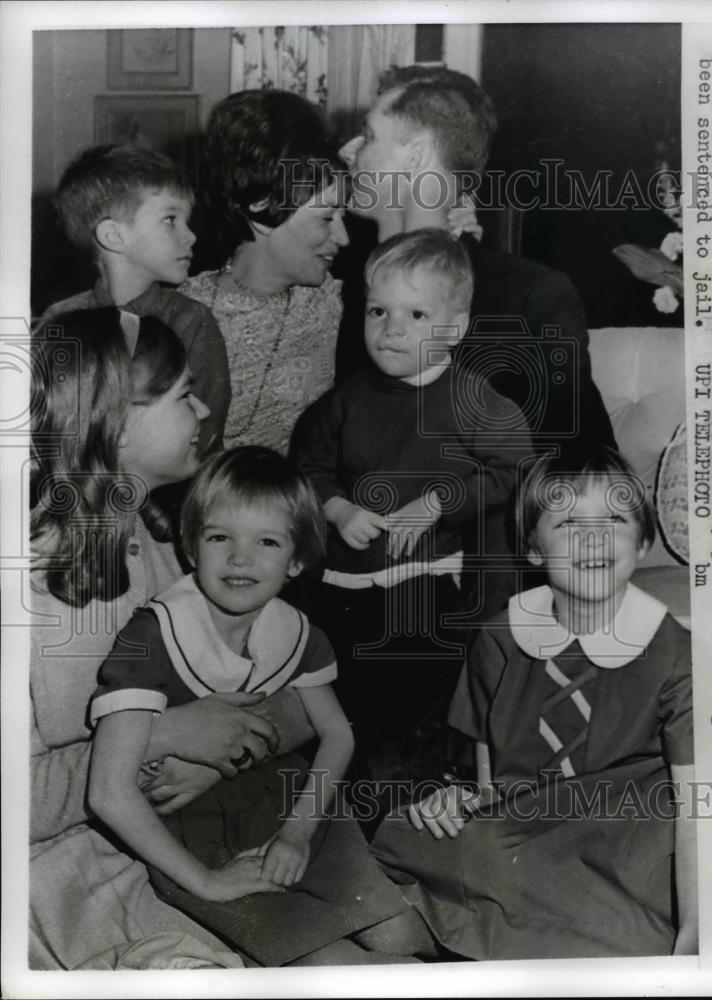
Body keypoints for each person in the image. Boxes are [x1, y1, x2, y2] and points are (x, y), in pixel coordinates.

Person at [28, 308, 315, 970]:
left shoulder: (160, 539)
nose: (206, 408)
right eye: (186, 393)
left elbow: (287, 693)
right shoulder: (35, 582)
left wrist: (216, 747)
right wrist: (163, 738)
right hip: (75, 878)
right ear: (118, 422)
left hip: (185, 830)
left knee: (386, 933)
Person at [367, 443, 698, 960]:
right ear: (533, 550)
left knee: (641, 902)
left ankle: (497, 931)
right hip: (524, 825)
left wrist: (695, 933)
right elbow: (487, 781)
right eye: (567, 523)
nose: (593, 536)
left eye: (614, 517)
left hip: (621, 830)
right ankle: (490, 927)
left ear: (644, 540)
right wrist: (456, 801)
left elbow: (700, 807)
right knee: (409, 839)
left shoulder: (676, 651)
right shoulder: (500, 638)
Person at [87, 446, 409, 967]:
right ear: (191, 548)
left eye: (267, 541)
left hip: (284, 807)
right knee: (328, 962)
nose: (240, 559)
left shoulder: (297, 632)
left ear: (297, 559)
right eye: (220, 538)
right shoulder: (155, 634)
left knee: (400, 936)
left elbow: (338, 735)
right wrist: (208, 885)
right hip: (195, 841)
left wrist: (298, 833)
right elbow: (107, 791)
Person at [336, 65, 617, 619]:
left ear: (415, 156)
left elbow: (573, 463)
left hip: (485, 596)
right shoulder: (343, 290)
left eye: (369, 134)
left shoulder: (529, 294)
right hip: (352, 578)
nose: (348, 150)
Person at [294, 230, 530, 811]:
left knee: (411, 712)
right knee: (341, 709)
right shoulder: (345, 401)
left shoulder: (474, 401)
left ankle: (411, 809)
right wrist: (338, 507)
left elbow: (516, 468)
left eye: (415, 313)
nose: (391, 328)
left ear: (454, 327)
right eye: (378, 310)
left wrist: (437, 502)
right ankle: (351, 817)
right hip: (342, 587)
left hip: (423, 587)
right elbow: (309, 468)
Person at [180, 90, 349, 454]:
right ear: (262, 206)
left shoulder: (341, 306)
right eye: (326, 218)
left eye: (343, 216)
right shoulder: (177, 314)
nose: (343, 237)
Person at [38, 145, 230, 455]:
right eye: (170, 220)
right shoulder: (60, 319)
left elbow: (207, 434)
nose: (190, 235)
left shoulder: (193, 321)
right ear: (114, 236)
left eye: (187, 221)